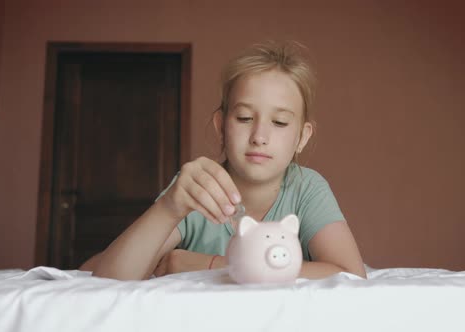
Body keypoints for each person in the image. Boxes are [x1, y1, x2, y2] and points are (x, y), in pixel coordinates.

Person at [81, 40, 366, 280]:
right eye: (244, 118)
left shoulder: (307, 189)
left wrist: (213, 265)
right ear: (221, 126)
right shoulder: (196, 188)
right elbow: (109, 279)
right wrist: (169, 207)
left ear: (301, 138)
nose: (259, 136)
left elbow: (350, 274)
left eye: (279, 122)